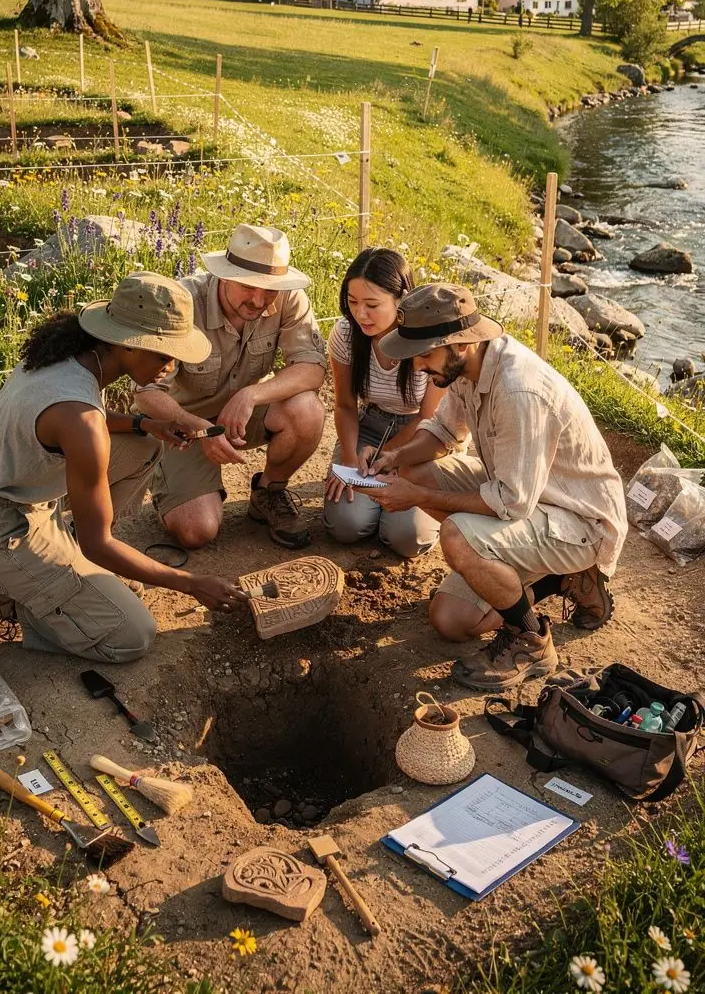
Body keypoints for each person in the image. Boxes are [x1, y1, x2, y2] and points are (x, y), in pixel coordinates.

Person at [0, 273, 247, 662]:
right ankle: (4, 596)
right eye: (163, 353)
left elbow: (78, 421)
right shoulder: (81, 422)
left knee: (144, 445)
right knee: (131, 635)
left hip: (8, 493)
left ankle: (53, 574)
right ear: (129, 345)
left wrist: (145, 423)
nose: (170, 367)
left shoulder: (72, 357)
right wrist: (191, 584)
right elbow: (97, 542)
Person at [370, 283, 628, 691]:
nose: (418, 366)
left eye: (424, 354)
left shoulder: (518, 389)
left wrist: (419, 499)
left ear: (460, 344)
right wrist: (395, 458)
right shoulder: (463, 367)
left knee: (456, 536)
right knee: (452, 622)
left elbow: (511, 500)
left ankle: (531, 640)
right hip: (528, 499)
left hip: (578, 520)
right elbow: (443, 432)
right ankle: (556, 579)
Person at [134, 224, 326, 550]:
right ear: (224, 274)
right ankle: (168, 479)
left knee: (307, 409)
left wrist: (251, 394)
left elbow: (312, 369)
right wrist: (197, 428)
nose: (259, 300)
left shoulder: (290, 297)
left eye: (270, 290)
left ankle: (269, 492)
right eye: (248, 287)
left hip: (241, 412)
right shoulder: (182, 303)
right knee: (196, 530)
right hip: (181, 425)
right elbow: (146, 393)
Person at [322, 248, 444, 557]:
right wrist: (349, 459)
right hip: (371, 425)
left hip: (423, 435)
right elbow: (346, 405)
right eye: (352, 302)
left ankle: (398, 511)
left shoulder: (428, 339)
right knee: (346, 526)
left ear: (401, 299)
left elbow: (429, 418)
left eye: (372, 305)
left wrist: (388, 457)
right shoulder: (347, 333)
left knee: (407, 537)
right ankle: (373, 505)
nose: (360, 314)